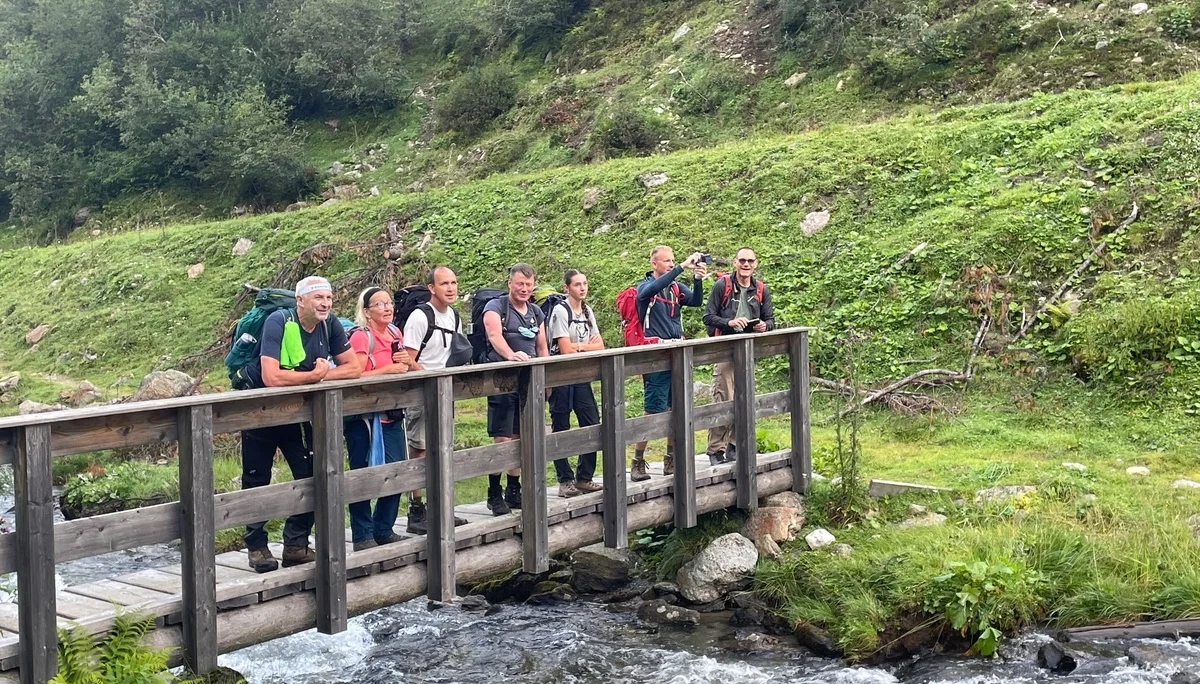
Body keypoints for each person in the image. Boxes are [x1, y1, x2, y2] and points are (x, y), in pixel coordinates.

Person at [240, 276, 362, 573]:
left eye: (329, 298)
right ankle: (256, 547)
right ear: (301, 301)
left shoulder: (328, 324)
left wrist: (320, 375)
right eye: (319, 298)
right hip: (261, 412)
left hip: (300, 413)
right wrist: (314, 376)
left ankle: (295, 544)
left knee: (310, 473)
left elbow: (354, 367)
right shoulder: (278, 321)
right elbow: (272, 377)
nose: (325, 304)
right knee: (257, 477)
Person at [344, 287, 417, 551]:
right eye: (379, 304)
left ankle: (383, 529)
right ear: (366, 311)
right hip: (364, 417)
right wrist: (390, 370)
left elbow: (408, 367)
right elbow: (355, 374)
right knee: (363, 474)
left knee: (397, 471)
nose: (387, 308)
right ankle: (362, 535)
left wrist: (407, 363)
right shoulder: (362, 338)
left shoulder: (396, 333)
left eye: (389, 303)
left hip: (393, 413)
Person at [402, 266, 468, 534]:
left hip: (444, 391)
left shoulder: (454, 316)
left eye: (454, 282)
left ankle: (440, 508)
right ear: (432, 288)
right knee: (419, 449)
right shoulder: (419, 317)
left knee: (442, 449)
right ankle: (416, 511)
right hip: (420, 392)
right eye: (444, 284)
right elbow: (407, 358)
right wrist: (428, 378)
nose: (451, 288)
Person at [631, 247, 707, 481]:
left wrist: (697, 280)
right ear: (654, 264)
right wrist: (681, 267)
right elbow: (651, 289)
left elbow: (695, 301)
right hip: (655, 355)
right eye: (666, 261)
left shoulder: (674, 288)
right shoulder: (644, 287)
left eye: (672, 261)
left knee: (676, 407)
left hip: (677, 352)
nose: (670, 264)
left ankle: (670, 459)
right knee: (652, 409)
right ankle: (638, 461)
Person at [482, 263, 549, 515]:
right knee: (502, 436)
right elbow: (493, 335)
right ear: (510, 283)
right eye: (519, 283)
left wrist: (546, 378)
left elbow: (542, 345)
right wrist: (511, 355)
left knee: (522, 436)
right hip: (502, 380)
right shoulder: (495, 307)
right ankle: (493, 492)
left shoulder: (535, 312)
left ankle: (513, 489)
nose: (524, 289)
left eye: (528, 285)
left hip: (529, 381)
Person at [702, 248, 776, 465]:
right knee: (724, 398)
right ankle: (716, 450)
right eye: (742, 260)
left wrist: (765, 326)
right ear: (735, 262)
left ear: (756, 264)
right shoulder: (722, 286)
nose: (746, 264)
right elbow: (708, 317)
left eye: (750, 261)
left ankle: (735, 446)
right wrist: (730, 323)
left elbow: (771, 319)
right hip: (724, 349)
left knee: (744, 399)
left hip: (748, 351)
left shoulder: (761, 289)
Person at [547, 270, 605, 498]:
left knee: (591, 423)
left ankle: (584, 477)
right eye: (577, 284)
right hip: (561, 376)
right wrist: (583, 346)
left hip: (582, 374)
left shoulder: (588, 311)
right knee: (561, 426)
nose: (582, 288)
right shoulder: (560, 311)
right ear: (566, 288)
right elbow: (564, 349)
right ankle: (564, 480)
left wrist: (579, 346)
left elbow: (600, 346)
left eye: (585, 283)